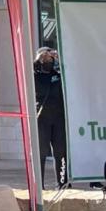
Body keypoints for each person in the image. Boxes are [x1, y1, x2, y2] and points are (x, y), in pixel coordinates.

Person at [34, 47, 68, 188]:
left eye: (50, 57)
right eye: (45, 57)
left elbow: (70, 73)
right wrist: (38, 59)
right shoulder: (34, 75)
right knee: (40, 152)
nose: (48, 59)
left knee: (61, 152)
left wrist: (60, 59)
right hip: (41, 118)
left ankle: (62, 183)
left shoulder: (58, 75)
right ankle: (39, 185)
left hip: (58, 118)